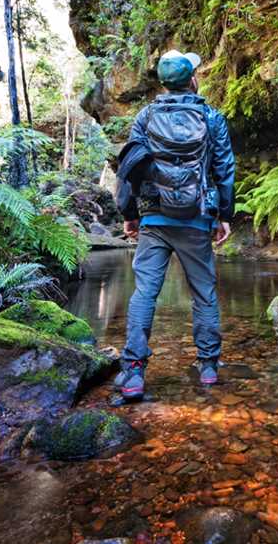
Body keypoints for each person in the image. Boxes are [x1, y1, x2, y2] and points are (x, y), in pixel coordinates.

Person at [113, 49, 235, 401]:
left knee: (145, 292)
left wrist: (129, 215)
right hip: (196, 217)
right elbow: (225, 170)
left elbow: (128, 169)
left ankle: (134, 371)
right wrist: (224, 215)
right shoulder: (211, 117)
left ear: (165, 83)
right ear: (191, 79)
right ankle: (209, 365)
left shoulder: (146, 116)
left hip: (154, 217)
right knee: (203, 292)